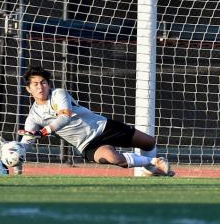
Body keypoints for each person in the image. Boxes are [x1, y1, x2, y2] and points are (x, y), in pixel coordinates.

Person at [16, 65, 173, 176]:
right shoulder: (33, 116)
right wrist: (14, 153)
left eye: (43, 83)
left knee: (149, 142)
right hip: (87, 144)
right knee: (113, 158)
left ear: (49, 85)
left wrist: (44, 131)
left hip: (103, 127)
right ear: (28, 89)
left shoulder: (58, 94)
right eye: (35, 84)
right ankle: (154, 162)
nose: (40, 87)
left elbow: (65, 116)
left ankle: (151, 172)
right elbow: (27, 141)